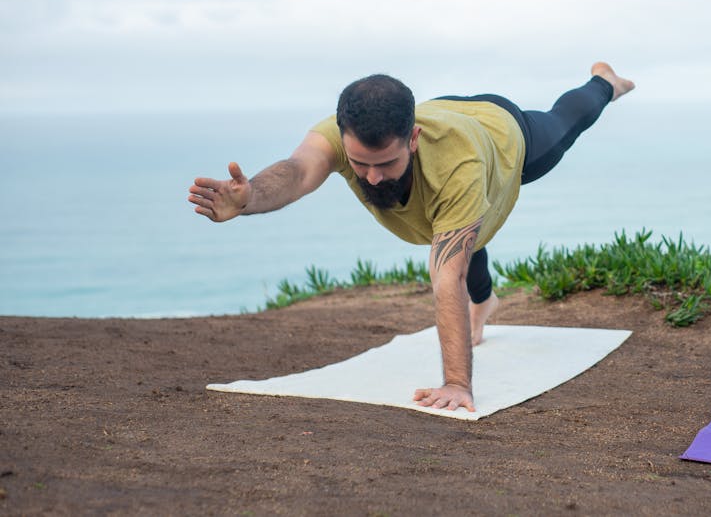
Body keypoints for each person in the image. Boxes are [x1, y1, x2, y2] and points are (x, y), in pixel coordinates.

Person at [189, 62, 635, 413]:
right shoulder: (340, 135)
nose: (372, 176)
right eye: (359, 163)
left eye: (386, 162)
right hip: (445, 118)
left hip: (501, 132)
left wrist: (457, 383)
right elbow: (299, 171)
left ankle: (605, 82)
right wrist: (248, 199)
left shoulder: (457, 168)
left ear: (413, 139)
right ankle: (486, 305)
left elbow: (447, 279)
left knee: (565, 122)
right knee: (452, 230)